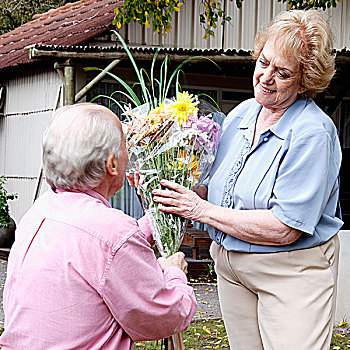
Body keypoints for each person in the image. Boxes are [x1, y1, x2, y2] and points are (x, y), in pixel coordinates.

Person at [151, 9, 343, 350]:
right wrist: (176, 190)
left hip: (289, 274)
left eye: (282, 72)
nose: (266, 77)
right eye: (263, 63)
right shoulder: (242, 114)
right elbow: (219, 189)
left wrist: (200, 210)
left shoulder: (313, 133)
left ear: (305, 80)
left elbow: (286, 228)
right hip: (231, 268)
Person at [0, 103, 197, 349]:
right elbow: (163, 317)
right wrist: (174, 273)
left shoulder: (42, 209)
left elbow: (98, 246)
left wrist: (158, 216)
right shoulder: (112, 233)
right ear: (112, 164)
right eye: (126, 147)